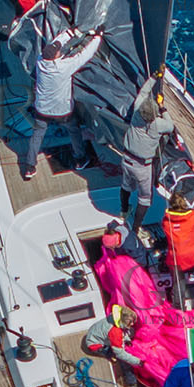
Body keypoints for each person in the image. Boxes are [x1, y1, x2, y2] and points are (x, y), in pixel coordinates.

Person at [24, 26, 104, 179]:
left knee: (37, 135)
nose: (60, 51)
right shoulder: (63, 67)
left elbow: (56, 45)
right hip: (62, 111)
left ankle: (29, 167)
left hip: (41, 109)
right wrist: (98, 37)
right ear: (55, 57)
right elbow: (85, 55)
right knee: (73, 131)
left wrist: (71, 33)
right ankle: (80, 159)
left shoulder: (41, 61)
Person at [119, 97, 176, 244]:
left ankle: (124, 210)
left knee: (126, 185)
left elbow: (142, 94)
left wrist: (153, 78)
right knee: (145, 199)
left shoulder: (136, 115)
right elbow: (170, 126)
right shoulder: (158, 125)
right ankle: (136, 228)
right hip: (142, 167)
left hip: (126, 160)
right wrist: (163, 108)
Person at [81, 305, 142, 378]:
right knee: (123, 361)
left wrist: (127, 339)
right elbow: (120, 354)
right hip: (95, 344)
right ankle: (131, 383)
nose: (132, 324)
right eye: (130, 322)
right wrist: (138, 362)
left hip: (94, 333)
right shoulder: (115, 332)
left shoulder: (114, 317)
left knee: (129, 333)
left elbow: (121, 330)